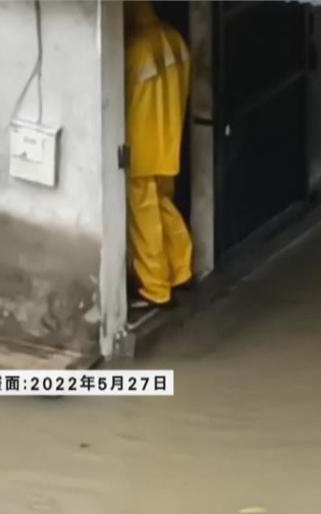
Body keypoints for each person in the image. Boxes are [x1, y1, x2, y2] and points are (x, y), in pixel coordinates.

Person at [125, 2, 193, 308]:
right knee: (166, 205)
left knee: (145, 218)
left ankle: (155, 289)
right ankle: (181, 270)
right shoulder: (177, 40)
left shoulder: (136, 49)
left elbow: (118, 96)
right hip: (170, 140)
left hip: (141, 146)